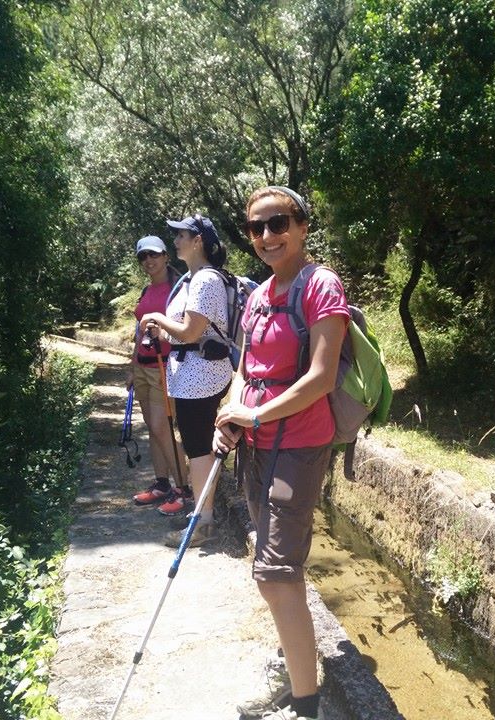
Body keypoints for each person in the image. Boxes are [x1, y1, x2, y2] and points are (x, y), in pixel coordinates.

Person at [213, 186, 348, 720]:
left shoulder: (321, 285)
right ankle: (293, 667)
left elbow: (321, 376)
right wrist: (231, 414)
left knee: (275, 572)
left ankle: (305, 705)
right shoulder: (257, 296)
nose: (267, 235)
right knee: (274, 567)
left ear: (302, 226)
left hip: (299, 444)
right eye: (257, 227)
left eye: (279, 223)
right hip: (255, 445)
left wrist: (255, 416)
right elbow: (245, 370)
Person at [140, 214, 233, 547]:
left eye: (181, 235)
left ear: (198, 241)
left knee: (197, 448)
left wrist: (157, 318)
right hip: (191, 376)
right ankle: (201, 514)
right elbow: (184, 330)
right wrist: (163, 329)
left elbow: (191, 332)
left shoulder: (205, 280)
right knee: (197, 446)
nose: (175, 240)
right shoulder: (191, 280)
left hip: (201, 378)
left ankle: (203, 522)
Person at [129, 235, 190, 516]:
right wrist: (132, 368)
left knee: (161, 427)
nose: (148, 260)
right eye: (143, 256)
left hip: (165, 367)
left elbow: (186, 329)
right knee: (152, 428)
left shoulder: (178, 290)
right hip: (143, 366)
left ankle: (183, 489)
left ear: (166, 256)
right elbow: (139, 333)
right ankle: (162, 483)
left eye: (153, 254)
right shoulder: (146, 291)